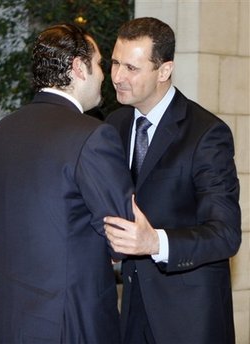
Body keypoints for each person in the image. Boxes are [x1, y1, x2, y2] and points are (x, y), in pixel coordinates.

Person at [0, 23, 134, 344]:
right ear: (79, 68)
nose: (105, 76)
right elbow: (123, 234)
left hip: (4, 317)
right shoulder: (93, 135)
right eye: (101, 64)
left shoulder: (2, 131)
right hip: (69, 321)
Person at [104, 17, 241, 344]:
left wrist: (154, 243)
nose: (118, 77)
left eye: (132, 69)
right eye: (114, 63)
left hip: (189, 319)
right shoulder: (114, 124)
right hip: (131, 312)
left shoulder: (206, 133)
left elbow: (225, 234)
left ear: (164, 71)